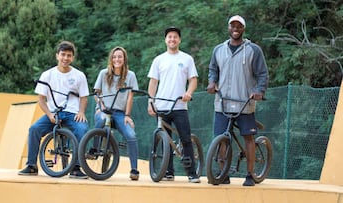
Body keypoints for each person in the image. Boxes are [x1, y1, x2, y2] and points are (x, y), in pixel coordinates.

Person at [206, 15, 269, 186]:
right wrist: (212, 82)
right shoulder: (218, 50)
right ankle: (223, 173)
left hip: (244, 102)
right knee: (221, 138)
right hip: (222, 102)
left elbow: (262, 74)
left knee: (248, 137)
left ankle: (250, 173)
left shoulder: (253, 50)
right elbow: (213, 70)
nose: (235, 28)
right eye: (232, 26)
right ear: (228, 28)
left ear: (243, 28)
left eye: (239, 26)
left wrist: (258, 91)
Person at [18, 41, 89, 179]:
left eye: (69, 55)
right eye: (63, 55)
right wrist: (49, 114)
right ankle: (31, 165)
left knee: (82, 129)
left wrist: (81, 112)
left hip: (72, 113)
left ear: (73, 58)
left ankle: (76, 168)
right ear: (57, 55)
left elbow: (84, 97)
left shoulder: (79, 75)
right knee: (34, 129)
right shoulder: (47, 75)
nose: (65, 58)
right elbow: (41, 99)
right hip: (53, 113)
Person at [147, 27, 200, 183]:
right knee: (165, 139)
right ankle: (168, 171)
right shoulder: (158, 60)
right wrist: (151, 101)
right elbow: (153, 82)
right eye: (169, 37)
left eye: (175, 37)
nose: (172, 39)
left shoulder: (187, 59)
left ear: (179, 40)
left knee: (185, 139)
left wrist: (189, 93)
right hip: (161, 106)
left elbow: (193, 80)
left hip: (179, 106)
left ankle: (192, 173)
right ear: (165, 40)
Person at [93, 46, 140, 181]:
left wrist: (127, 115)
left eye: (120, 56)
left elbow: (130, 97)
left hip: (120, 113)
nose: (117, 59)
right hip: (104, 110)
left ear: (124, 59)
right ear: (111, 59)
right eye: (114, 57)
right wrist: (100, 106)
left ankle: (134, 170)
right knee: (101, 120)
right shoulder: (103, 73)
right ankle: (94, 149)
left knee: (131, 135)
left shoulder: (130, 76)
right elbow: (97, 93)